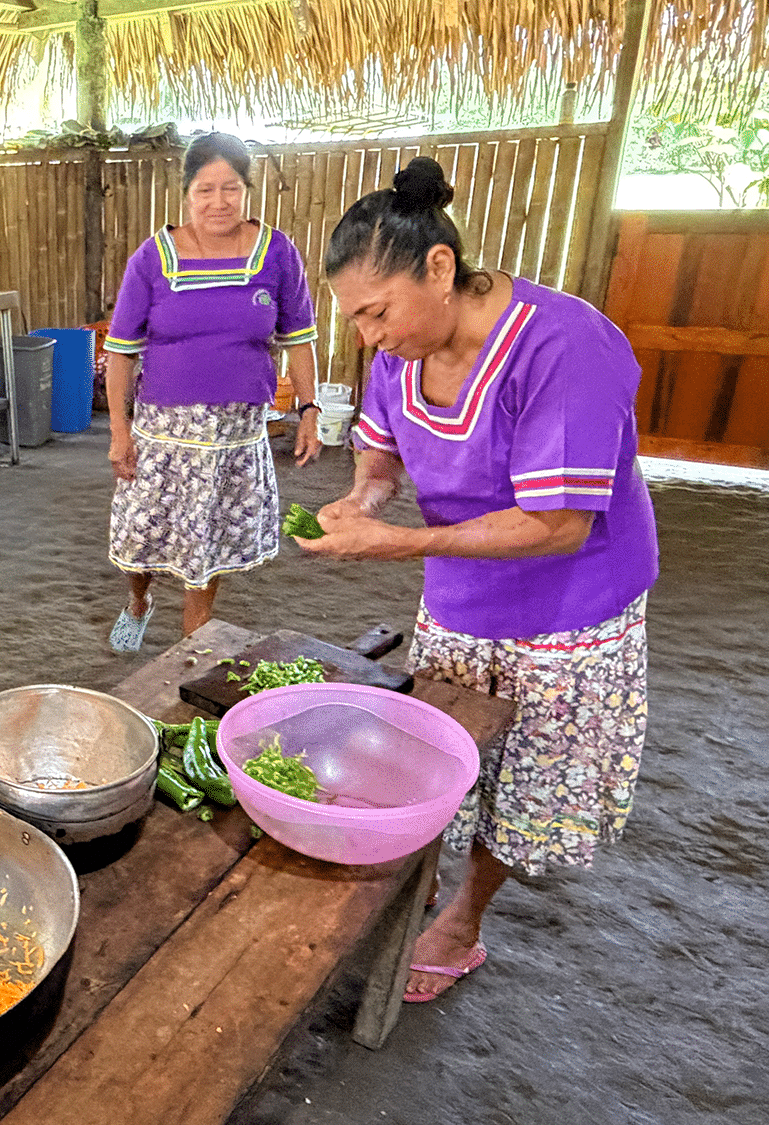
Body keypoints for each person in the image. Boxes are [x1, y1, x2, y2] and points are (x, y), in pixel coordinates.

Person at [298, 156, 658, 1002]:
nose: (369, 336)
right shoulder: (399, 354)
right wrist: (364, 497)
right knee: (443, 758)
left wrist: (392, 544)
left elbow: (556, 523)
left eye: (377, 312)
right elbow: (381, 446)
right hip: (461, 597)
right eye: (355, 318)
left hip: (569, 614)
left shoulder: (565, 344)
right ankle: (419, 880)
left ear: (438, 267)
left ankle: (464, 915)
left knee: (524, 773)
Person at [103, 132, 323, 652]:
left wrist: (310, 407)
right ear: (187, 194)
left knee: (205, 541)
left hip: (234, 433)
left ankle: (187, 650)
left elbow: (299, 337)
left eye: (230, 188)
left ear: (247, 190)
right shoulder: (153, 258)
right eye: (205, 189)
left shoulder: (277, 252)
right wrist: (119, 431)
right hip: (162, 430)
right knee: (144, 537)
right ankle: (139, 600)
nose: (218, 202)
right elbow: (120, 351)